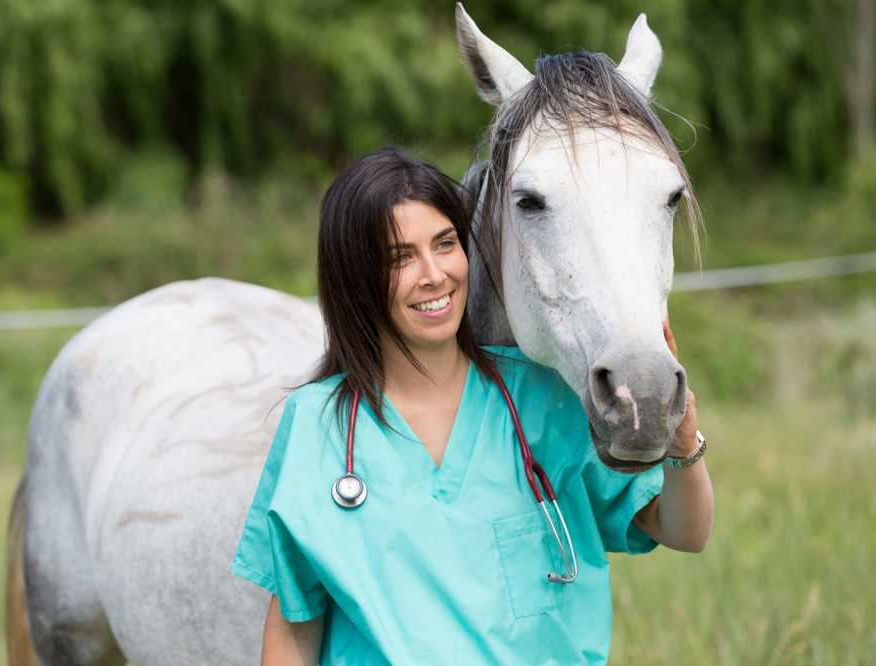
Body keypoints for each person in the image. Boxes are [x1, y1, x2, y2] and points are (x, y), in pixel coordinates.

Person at [230, 147, 714, 665]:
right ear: (356, 276)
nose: (434, 274)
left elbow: (685, 531)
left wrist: (683, 442)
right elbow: (293, 628)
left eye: (445, 244)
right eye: (400, 258)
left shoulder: (544, 400)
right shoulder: (317, 425)